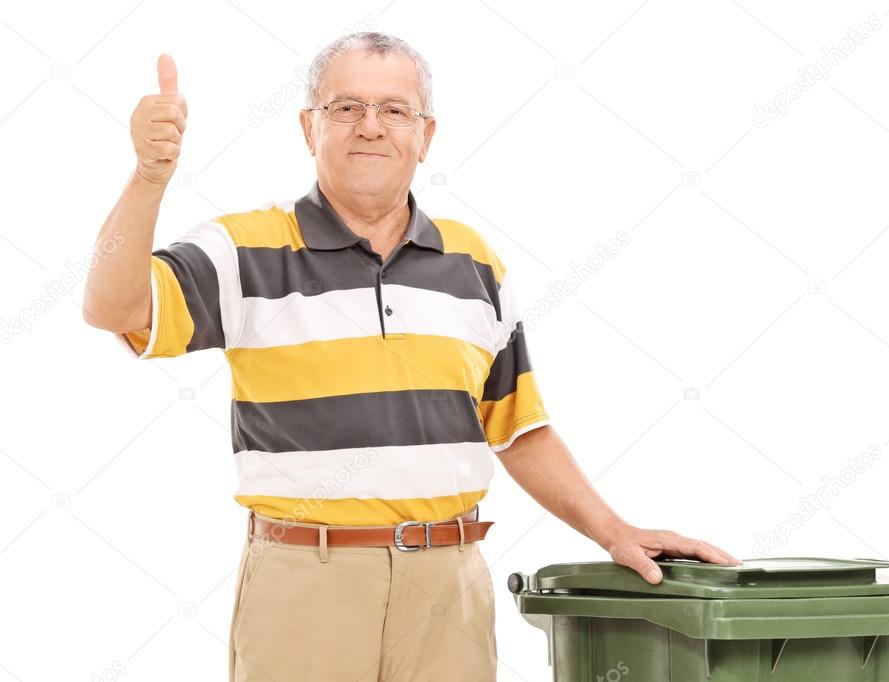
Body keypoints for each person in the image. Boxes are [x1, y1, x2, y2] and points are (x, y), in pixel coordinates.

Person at [82, 31, 741, 682]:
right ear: (309, 127)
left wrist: (613, 531)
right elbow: (113, 309)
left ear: (425, 135)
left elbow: (516, 427)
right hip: (305, 587)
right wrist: (149, 178)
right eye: (346, 108)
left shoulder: (473, 263)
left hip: (448, 585)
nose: (370, 126)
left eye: (394, 110)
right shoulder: (242, 250)